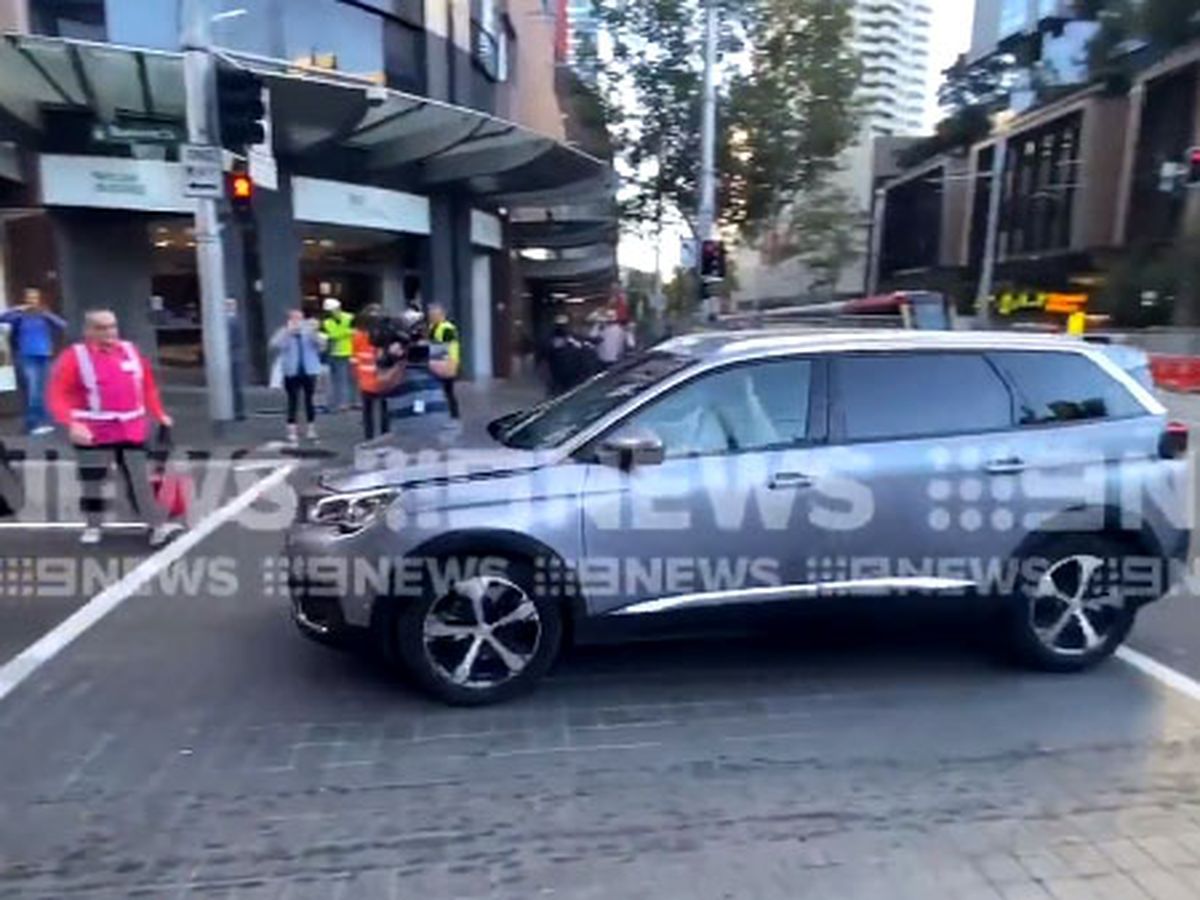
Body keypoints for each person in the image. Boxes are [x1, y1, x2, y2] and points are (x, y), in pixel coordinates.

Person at [47, 309, 181, 547]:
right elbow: (58, 395)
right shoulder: (74, 357)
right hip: (93, 430)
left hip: (131, 429)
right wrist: (72, 423)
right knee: (93, 480)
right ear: (88, 331)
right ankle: (93, 524)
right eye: (101, 327)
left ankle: (155, 526)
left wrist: (159, 413)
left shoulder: (130, 351)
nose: (109, 332)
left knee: (140, 479)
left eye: (112, 326)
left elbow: (147, 386)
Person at [0, 288, 67, 435]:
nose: (32, 301)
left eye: (35, 298)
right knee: (33, 391)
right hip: (26, 356)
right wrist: (16, 309)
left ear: (39, 299)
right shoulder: (19, 316)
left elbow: (62, 324)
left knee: (43, 390)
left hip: (44, 355)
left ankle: (42, 421)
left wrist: (46, 313)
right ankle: (32, 424)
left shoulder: (43, 315)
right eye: (29, 298)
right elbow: (2, 318)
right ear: (25, 299)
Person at [271, 309, 326, 443]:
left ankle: (311, 429)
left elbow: (322, 347)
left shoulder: (308, 332)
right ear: (289, 320)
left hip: (309, 371)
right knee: (292, 400)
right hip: (291, 371)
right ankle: (292, 430)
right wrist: (288, 333)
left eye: (300, 319)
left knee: (310, 400)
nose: (298, 322)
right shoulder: (284, 332)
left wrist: (314, 333)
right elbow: (274, 344)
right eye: (294, 319)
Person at [352, 305, 390, 441]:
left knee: (369, 411)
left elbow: (355, 358)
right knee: (383, 410)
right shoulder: (384, 334)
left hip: (368, 378)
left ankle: (370, 438)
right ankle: (384, 436)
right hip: (380, 377)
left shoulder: (358, 335)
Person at [427, 302, 461, 420]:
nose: (431, 317)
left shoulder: (447, 328)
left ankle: (454, 415)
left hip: (447, 364)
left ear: (441, 314)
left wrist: (428, 351)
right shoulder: (433, 326)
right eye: (430, 315)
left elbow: (444, 347)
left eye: (433, 314)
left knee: (448, 391)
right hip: (437, 364)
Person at [320, 298, 355, 413]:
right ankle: (336, 404)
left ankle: (344, 404)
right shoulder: (326, 322)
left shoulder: (349, 318)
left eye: (333, 310)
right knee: (335, 381)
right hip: (333, 353)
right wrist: (346, 332)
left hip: (347, 353)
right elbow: (330, 335)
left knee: (345, 380)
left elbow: (355, 332)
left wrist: (340, 334)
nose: (332, 313)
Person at [226, 298, 246, 421]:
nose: (229, 306)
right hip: (227, 356)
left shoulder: (238, 320)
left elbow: (239, 339)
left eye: (231, 304)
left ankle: (239, 411)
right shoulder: (221, 319)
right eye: (227, 304)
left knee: (236, 385)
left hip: (234, 355)